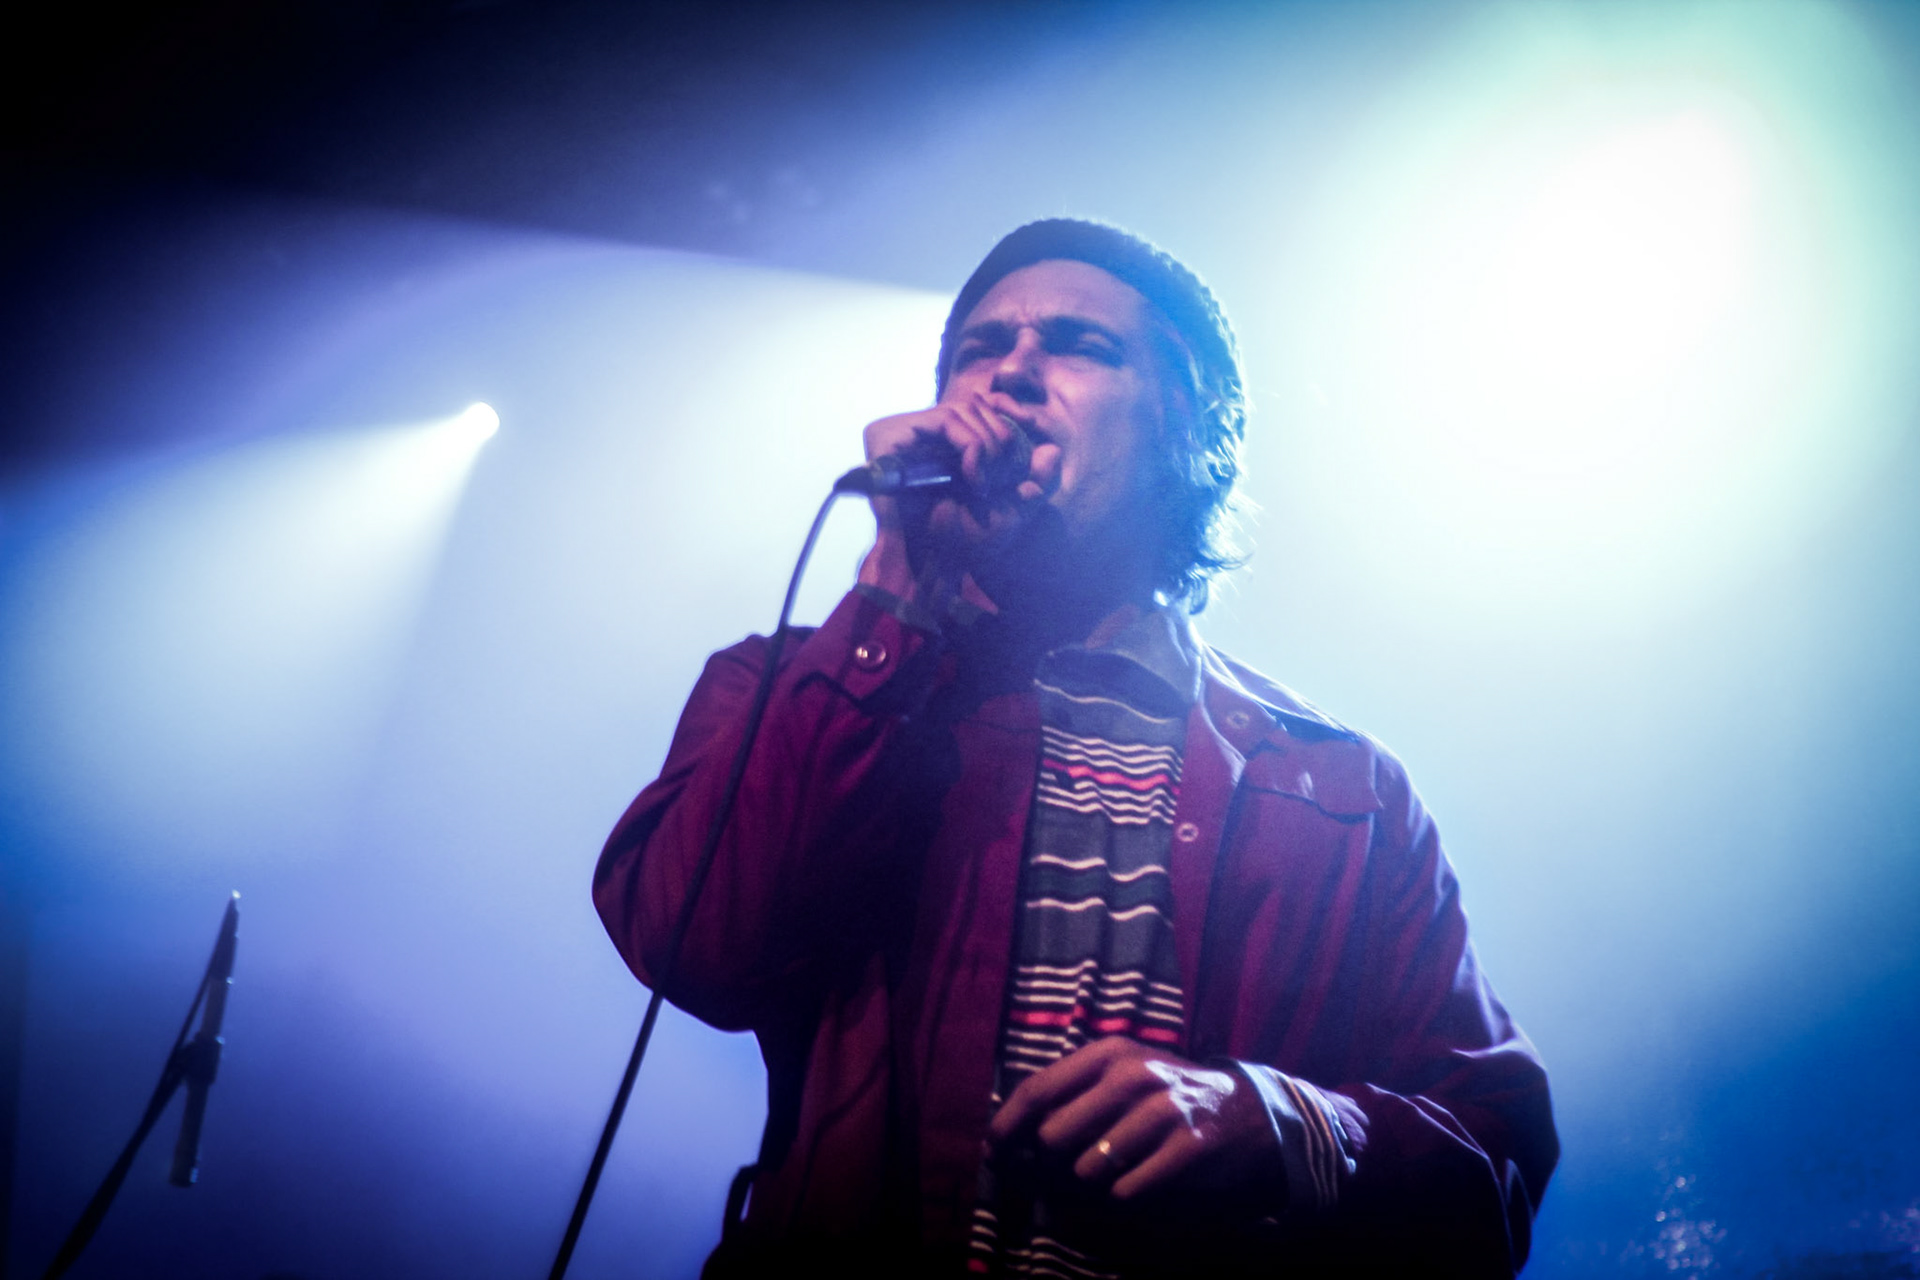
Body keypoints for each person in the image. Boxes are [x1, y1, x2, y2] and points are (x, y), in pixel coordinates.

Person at [593, 219, 1558, 1278]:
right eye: (979, 348)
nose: (1010, 372)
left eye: (1078, 345)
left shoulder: (1342, 792)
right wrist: (898, 580)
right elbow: (700, 949)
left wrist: (1282, 1124)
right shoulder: (798, 684)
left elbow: (1494, 1161)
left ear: (1192, 429)